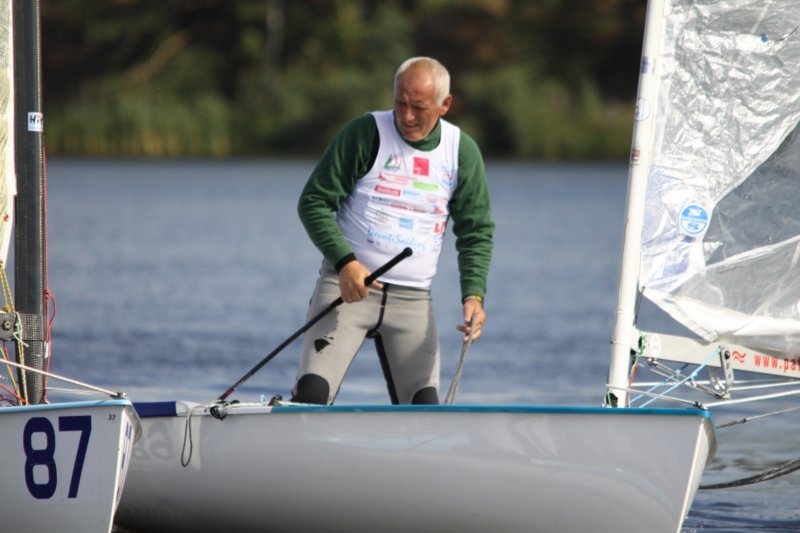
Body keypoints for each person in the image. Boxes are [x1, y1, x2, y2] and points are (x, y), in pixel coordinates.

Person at [291, 56, 494, 405]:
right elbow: (313, 202)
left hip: (412, 301)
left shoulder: (462, 152)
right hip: (347, 287)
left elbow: (476, 232)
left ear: (445, 104)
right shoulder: (365, 132)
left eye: (419, 107)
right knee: (313, 395)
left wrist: (473, 296)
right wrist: (346, 264)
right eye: (400, 103)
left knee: (425, 408)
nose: (407, 116)